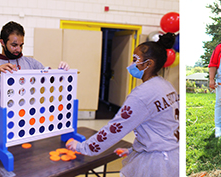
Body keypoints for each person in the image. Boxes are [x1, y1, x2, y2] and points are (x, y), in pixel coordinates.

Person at [66, 33, 179, 177]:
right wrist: (134, 149)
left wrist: (81, 147)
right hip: (172, 156)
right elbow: (161, 127)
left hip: (157, 164)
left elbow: (115, 128)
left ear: (148, 64)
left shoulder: (142, 94)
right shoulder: (166, 86)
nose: (130, 65)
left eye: (134, 60)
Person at [0, 21, 70, 145]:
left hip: (27, 124)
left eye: (21, 45)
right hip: (1, 127)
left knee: (26, 161)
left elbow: (48, 79)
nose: (18, 49)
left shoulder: (30, 63)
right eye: (14, 45)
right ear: (2, 42)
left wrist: (61, 73)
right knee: (1, 162)